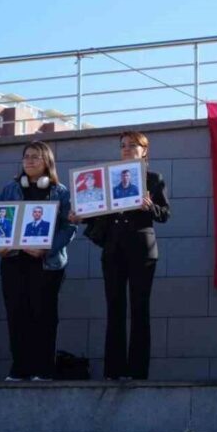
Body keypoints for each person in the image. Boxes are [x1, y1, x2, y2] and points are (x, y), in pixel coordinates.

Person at [74, 132, 171, 380]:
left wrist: (150, 206)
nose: (126, 149)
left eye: (132, 145)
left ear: (144, 150)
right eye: (123, 145)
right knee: (114, 307)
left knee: (140, 308)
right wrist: (80, 215)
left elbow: (164, 214)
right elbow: (98, 212)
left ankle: (138, 372)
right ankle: (113, 370)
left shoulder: (153, 178)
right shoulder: (108, 178)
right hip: (113, 248)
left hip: (142, 248)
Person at [0, 141, 76, 381]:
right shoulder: (10, 190)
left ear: (47, 162)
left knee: (44, 316)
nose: (29, 161)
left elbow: (69, 227)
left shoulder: (60, 192)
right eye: (26, 156)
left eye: (35, 157)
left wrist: (46, 249)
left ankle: (43, 370)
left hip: (46, 264)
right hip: (14, 261)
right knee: (17, 315)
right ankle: (20, 369)